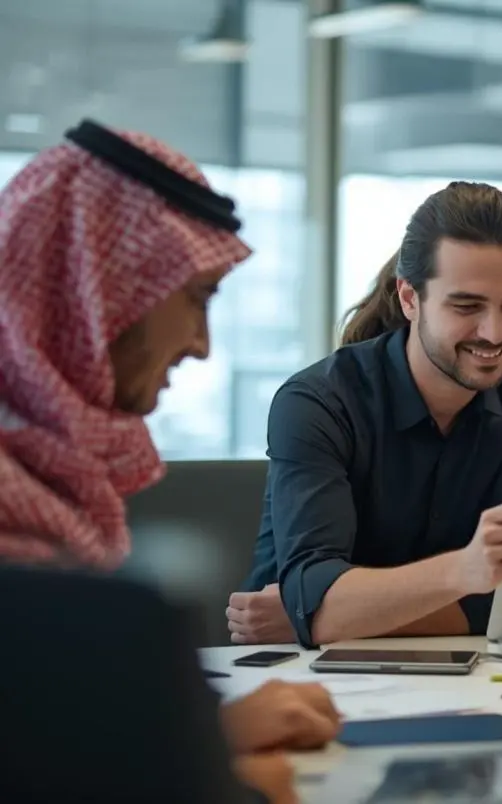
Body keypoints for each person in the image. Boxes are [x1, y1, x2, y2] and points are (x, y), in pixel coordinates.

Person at [0, 120, 336, 804]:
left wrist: (215, 729)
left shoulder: (43, 480)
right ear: (101, 290)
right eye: (196, 299)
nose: (202, 346)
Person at [232, 181, 502, 648]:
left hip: (453, 673)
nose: (495, 332)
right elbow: (316, 600)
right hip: (291, 675)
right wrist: (466, 572)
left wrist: (333, 615)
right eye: (466, 306)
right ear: (409, 298)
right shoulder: (317, 401)